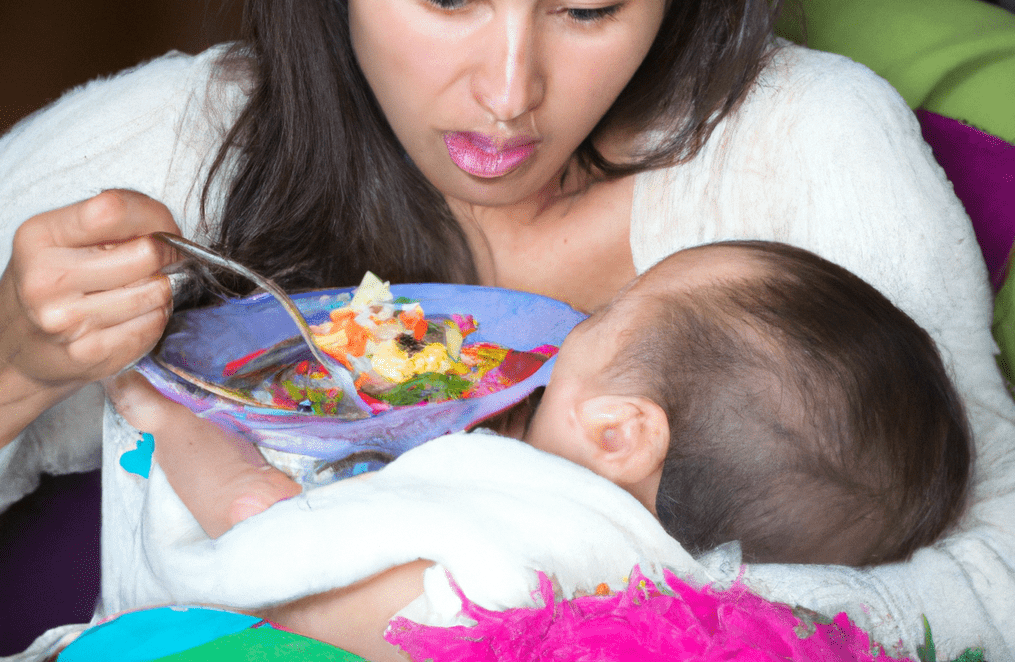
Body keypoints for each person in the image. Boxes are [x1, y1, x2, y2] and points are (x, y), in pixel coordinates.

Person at [0, 0, 1012, 658]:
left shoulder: (805, 145)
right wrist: (13, 364)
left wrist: (601, 624)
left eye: (589, 5)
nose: (508, 92)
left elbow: (994, 570)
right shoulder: (152, 154)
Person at [112, 240, 972, 572]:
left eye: (599, 320)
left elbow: (258, 520)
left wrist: (150, 402)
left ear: (620, 432)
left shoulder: (510, 512)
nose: (567, 335)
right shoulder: (665, 583)